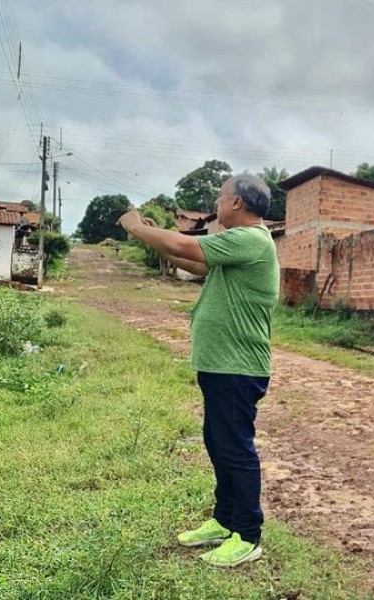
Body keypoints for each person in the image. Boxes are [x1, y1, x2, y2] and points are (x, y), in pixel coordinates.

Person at [118, 174, 280, 568]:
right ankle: (225, 521)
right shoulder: (235, 245)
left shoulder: (252, 239)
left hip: (238, 366)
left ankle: (248, 535)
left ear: (237, 202)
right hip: (222, 364)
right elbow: (188, 258)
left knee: (235, 448)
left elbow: (180, 244)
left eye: (221, 196)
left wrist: (136, 226)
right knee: (218, 444)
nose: (216, 203)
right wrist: (151, 237)